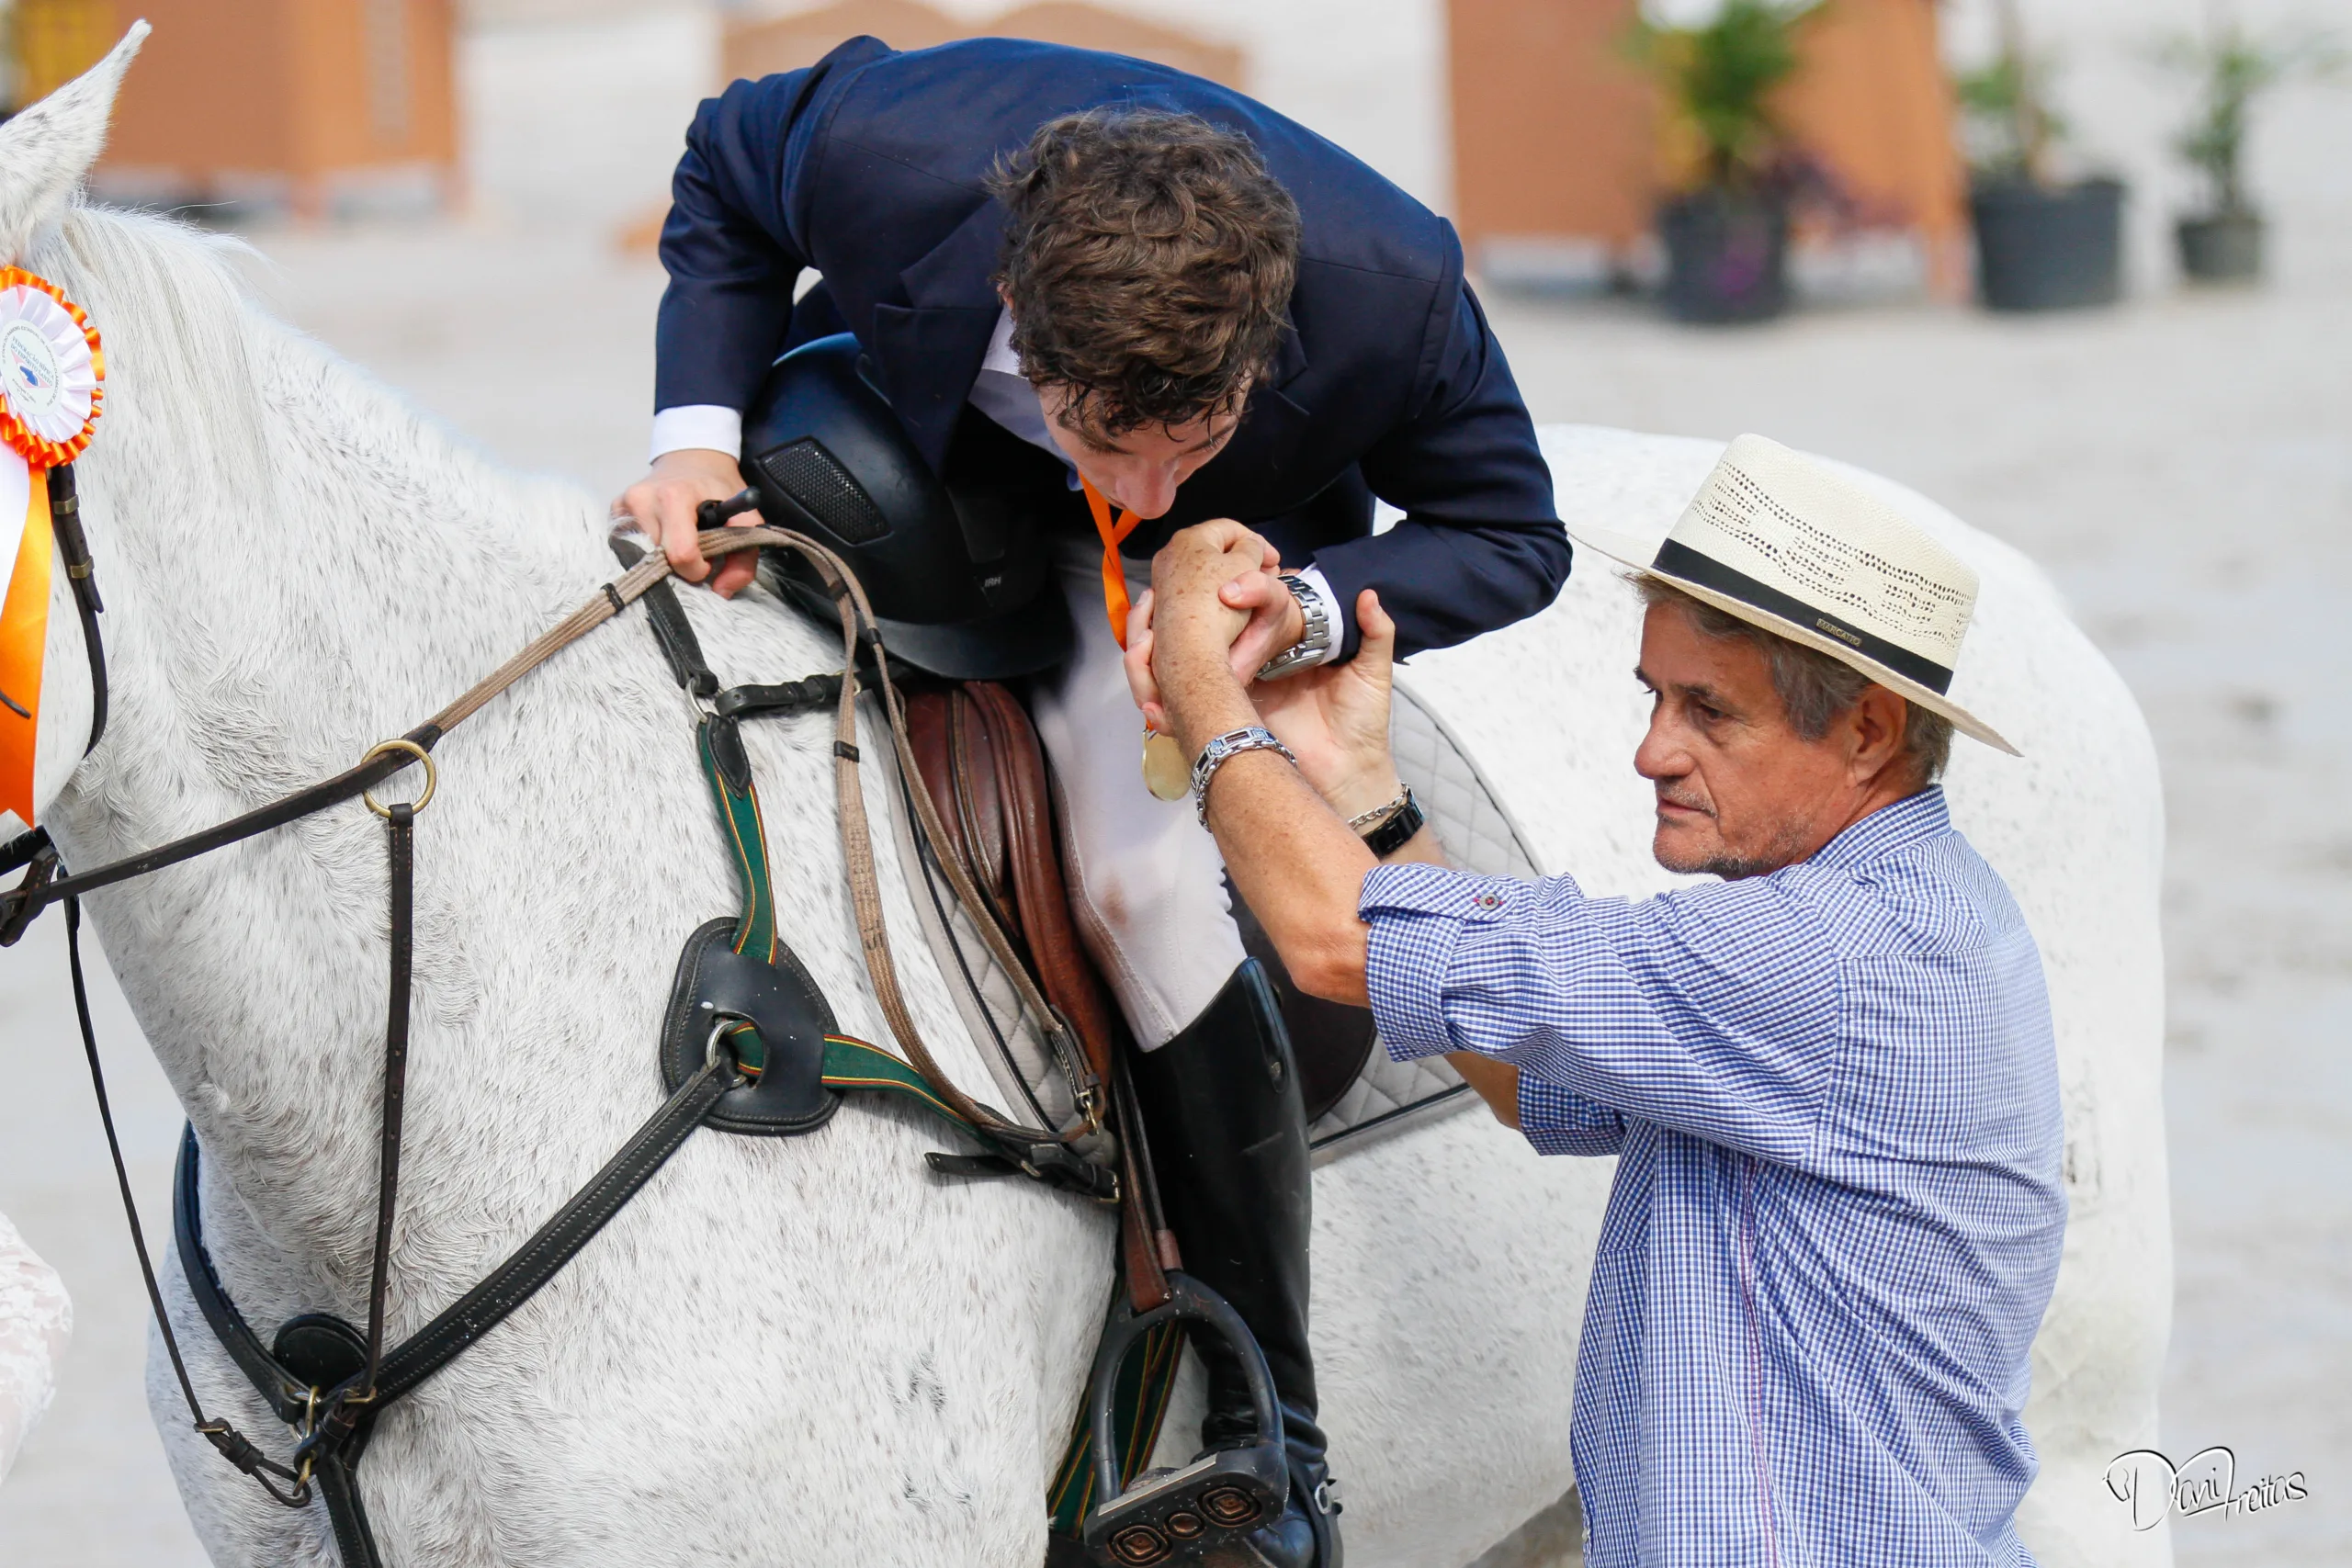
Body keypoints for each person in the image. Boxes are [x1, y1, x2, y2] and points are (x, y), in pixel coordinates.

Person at [615, 36, 1568, 1567]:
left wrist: (1300, 610)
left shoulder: (1394, 277)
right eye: (1103, 434)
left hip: (1234, 566)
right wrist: (691, 440)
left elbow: (1516, 531)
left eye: (1182, 431)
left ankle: (1277, 1427)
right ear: (1013, 306)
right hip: (905, 460)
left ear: (1265, 344)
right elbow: (726, 162)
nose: (1136, 481)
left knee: (1142, 888)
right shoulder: (886, 149)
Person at [1127, 434, 2069, 1567]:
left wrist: (1196, 672)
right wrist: (1362, 791)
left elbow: (1337, 943)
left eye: (1709, 712)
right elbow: (1533, 1078)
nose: (1648, 753)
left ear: (1867, 731)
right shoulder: (1913, 908)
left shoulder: (1819, 955)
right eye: (1653, 696)